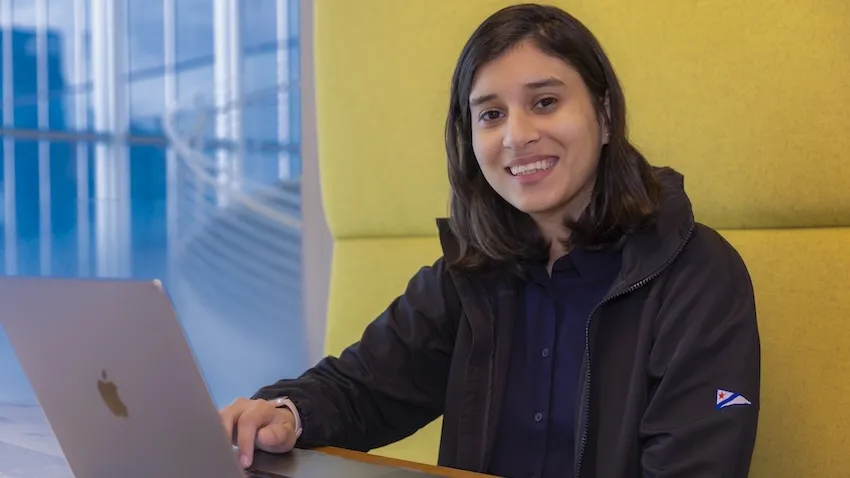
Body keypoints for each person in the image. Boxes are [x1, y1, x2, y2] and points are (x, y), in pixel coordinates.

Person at [219, 3, 760, 477]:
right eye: (491, 114)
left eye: (545, 102)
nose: (516, 136)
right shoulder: (469, 272)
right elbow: (361, 389)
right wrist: (284, 414)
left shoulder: (698, 276)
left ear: (606, 114)